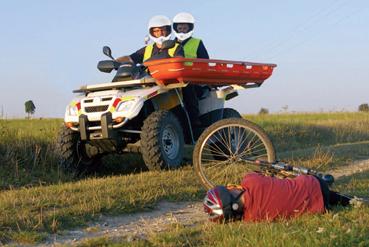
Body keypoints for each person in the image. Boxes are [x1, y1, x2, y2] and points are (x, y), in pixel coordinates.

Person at [203, 172, 356, 222]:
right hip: (314, 183)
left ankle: (344, 200)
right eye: (229, 190)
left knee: (328, 198)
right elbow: (259, 174)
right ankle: (349, 199)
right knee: (301, 182)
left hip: (320, 208)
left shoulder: (252, 218)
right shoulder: (250, 180)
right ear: (231, 192)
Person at [172, 12, 209, 126]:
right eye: (180, 28)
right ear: (175, 29)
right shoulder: (170, 44)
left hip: (194, 80)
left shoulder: (197, 42)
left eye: (185, 28)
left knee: (187, 88)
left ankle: (194, 121)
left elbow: (205, 62)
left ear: (190, 28)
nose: (182, 30)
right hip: (174, 79)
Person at [116, 15, 184, 65]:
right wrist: (116, 62)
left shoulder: (176, 47)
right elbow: (131, 58)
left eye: (163, 30)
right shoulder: (147, 49)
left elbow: (179, 62)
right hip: (147, 81)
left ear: (167, 30)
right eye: (156, 31)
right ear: (152, 33)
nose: (160, 33)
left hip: (168, 81)